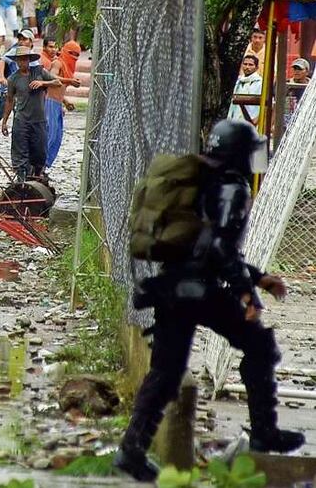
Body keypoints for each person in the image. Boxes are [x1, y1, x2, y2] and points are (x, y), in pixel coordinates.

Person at [115, 121, 303, 482]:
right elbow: (219, 247)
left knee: (166, 371)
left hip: (172, 287)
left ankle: (131, 449)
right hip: (201, 290)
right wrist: (247, 291)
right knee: (260, 347)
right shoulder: (233, 187)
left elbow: (202, 245)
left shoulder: (202, 181)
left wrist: (258, 277)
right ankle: (264, 431)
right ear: (238, 153)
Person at [0, 44, 60, 181]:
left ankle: (36, 176)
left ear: (29, 60)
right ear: (16, 61)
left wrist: (43, 83)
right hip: (21, 120)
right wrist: (4, 122)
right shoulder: (13, 79)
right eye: (20, 60)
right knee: (20, 153)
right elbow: (9, 100)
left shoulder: (39, 72)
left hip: (39, 120)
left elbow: (57, 83)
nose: (22, 63)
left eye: (25, 59)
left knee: (39, 153)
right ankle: (21, 179)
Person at [45, 40, 81, 166]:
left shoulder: (67, 67)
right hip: (50, 103)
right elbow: (52, 77)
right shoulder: (58, 63)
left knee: (57, 138)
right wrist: (69, 81)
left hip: (58, 104)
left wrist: (65, 102)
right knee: (50, 135)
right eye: (72, 54)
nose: (74, 57)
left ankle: (44, 166)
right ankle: (38, 166)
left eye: (77, 55)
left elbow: (60, 88)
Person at [228, 54, 263, 126]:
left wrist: (257, 119)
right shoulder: (238, 81)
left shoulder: (260, 83)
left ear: (256, 67)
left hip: (251, 121)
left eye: (250, 65)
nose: (247, 67)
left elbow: (266, 105)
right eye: (245, 64)